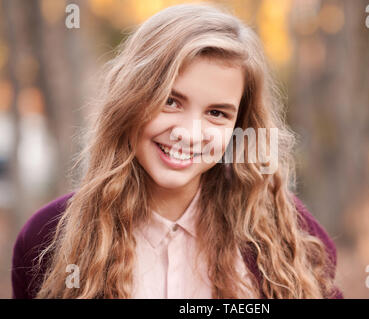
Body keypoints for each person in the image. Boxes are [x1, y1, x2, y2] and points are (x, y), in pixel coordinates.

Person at [12, 3, 343, 299]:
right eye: (170, 101)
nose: (188, 133)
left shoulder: (288, 235)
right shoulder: (47, 238)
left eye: (217, 113)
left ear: (238, 127)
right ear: (130, 99)